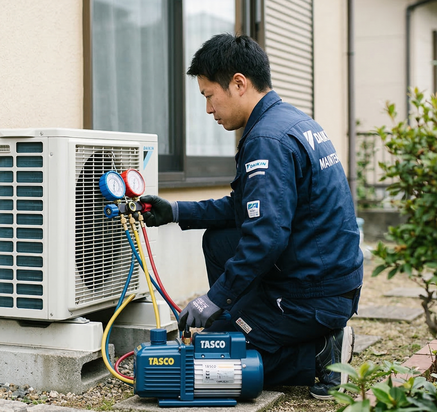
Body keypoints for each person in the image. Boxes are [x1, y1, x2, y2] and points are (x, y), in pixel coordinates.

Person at [141, 34, 363, 400]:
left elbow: (267, 236)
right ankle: (260, 322)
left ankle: (320, 354)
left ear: (239, 83)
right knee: (218, 240)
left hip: (313, 295)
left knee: (215, 357)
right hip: (324, 277)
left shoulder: (268, 140)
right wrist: (176, 211)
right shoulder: (288, 120)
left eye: (210, 96)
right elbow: (244, 207)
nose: (209, 109)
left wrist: (214, 298)